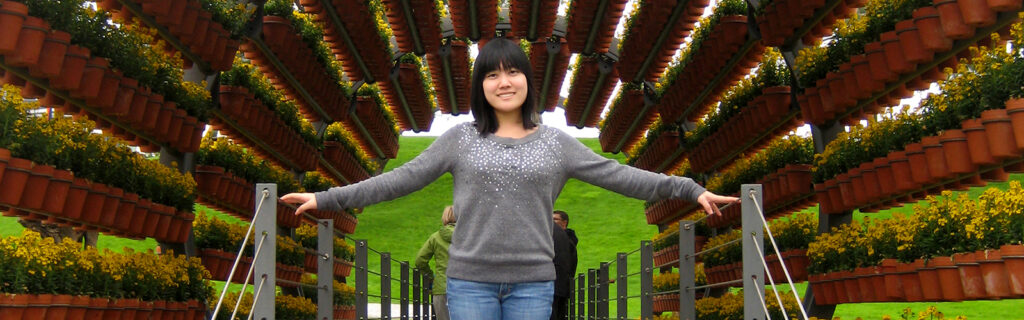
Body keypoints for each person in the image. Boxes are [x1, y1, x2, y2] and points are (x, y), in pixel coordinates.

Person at [280, 37, 739, 320]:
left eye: (513, 71)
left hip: (533, 284)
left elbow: (624, 178)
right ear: (480, 85)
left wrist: (690, 189)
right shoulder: (459, 139)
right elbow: (398, 181)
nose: (504, 81)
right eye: (492, 74)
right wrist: (328, 197)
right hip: (469, 283)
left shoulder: (556, 143)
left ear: (526, 81)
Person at [415, 206, 457, 320]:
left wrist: (430, 276)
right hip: (466, 288)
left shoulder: (435, 237)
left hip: (441, 288)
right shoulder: (469, 237)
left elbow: (420, 260)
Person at [551, 217, 577, 320]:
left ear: (564, 222)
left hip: (557, 286)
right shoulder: (568, 241)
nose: (552, 221)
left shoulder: (564, 241)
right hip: (559, 286)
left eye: (555, 219)